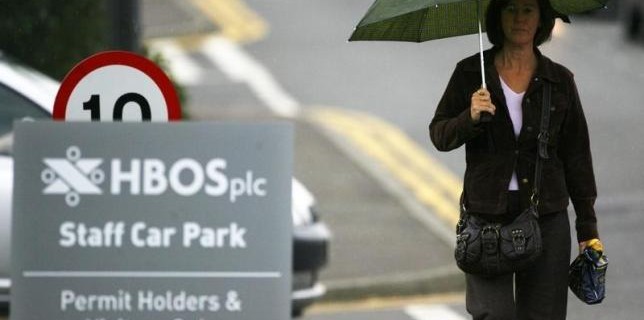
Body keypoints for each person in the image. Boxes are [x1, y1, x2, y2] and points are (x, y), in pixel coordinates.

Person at [429, 0, 603, 319]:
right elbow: (439, 134)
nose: (519, 18)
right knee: (492, 315)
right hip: (486, 220)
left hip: (546, 218)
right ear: (497, 17)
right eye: (510, 9)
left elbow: (577, 157)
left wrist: (587, 230)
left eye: (528, 10)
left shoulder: (559, 80)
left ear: (541, 19)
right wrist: (469, 117)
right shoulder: (470, 73)